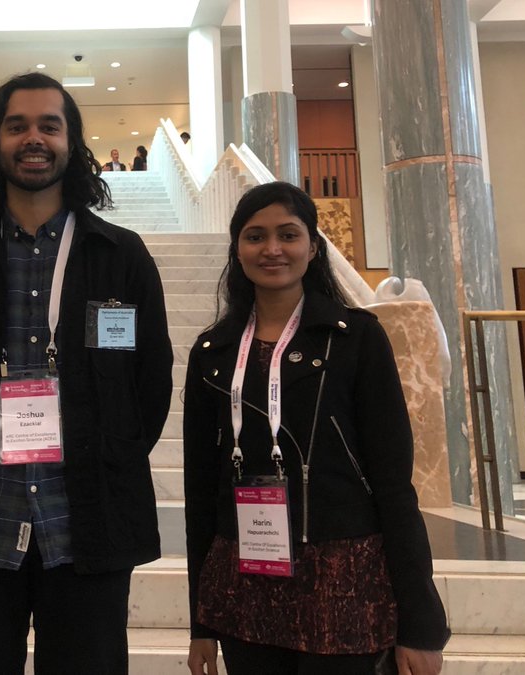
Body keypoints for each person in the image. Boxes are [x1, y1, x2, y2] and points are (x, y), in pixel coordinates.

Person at [0, 71, 173, 673]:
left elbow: (150, 385)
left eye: (49, 126)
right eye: (17, 126)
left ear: (71, 142)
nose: (34, 138)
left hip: (89, 524)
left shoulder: (121, 256)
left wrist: (107, 454)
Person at [183, 181, 449, 675]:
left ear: (313, 247)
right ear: (237, 249)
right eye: (255, 236)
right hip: (244, 585)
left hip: (345, 584)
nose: (272, 249)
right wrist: (201, 622)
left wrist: (421, 625)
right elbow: (200, 493)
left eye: (288, 234)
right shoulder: (212, 353)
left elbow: (394, 484)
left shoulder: (357, 339)